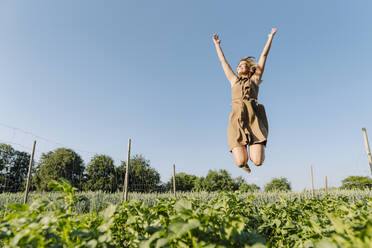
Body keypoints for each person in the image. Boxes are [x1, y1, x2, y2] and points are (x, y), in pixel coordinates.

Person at [213, 28, 277, 173]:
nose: (240, 66)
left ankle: (254, 153)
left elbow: (264, 56)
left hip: (254, 119)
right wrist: (217, 44)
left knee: (258, 162)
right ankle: (243, 163)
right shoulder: (233, 80)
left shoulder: (255, 80)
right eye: (238, 65)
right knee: (240, 161)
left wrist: (270, 37)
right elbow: (223, 61)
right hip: (237, 121)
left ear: (249, 68)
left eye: (244, 64)